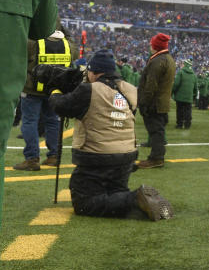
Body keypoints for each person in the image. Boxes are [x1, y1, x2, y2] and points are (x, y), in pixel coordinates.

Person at [47, 50, 173, 220]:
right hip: (126, 158)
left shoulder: (89, 90)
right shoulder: (130, 89)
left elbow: (61, 106)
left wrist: (54, 91)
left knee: (84, 202)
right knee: (114, 192)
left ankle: (134, 199)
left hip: (97, 157)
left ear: (94, 71)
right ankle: (139, 203)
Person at [0, 0, 59, 224]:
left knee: (32, 124)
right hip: (41, 88)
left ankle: (34, 157)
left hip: (31, 88)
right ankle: (51, 155)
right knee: (49, 122)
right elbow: (43, 29)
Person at [14, 29, 75, 171]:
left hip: (31, 89)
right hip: (54, 89)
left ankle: (32, 159)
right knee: (53, 121)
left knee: (29, 121)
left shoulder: (33, 43)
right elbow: (75, 56)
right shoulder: (68, 45)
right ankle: (54, 156)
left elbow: (20, 57)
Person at [137, 33, 175, 169]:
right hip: (161, 102)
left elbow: (151, 85)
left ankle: (156, 158)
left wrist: (143, 102)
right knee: (157, 131)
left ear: (156, 46)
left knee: (155, 132)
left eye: (152, 44)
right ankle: (156, 157)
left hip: (155, 103)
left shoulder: (158, 61)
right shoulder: (168, 59)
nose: (150, 46)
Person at [172, 59, 197, 129]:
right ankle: (187, 124)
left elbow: (176, 84)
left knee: (179, 110)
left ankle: (179, 124)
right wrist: (194, 96)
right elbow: (195, 88)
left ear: (185, 64)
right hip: (189, 97)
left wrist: (172, 92)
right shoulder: (194, 75)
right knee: (188, 111)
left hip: (180, 96)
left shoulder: (181, 73)